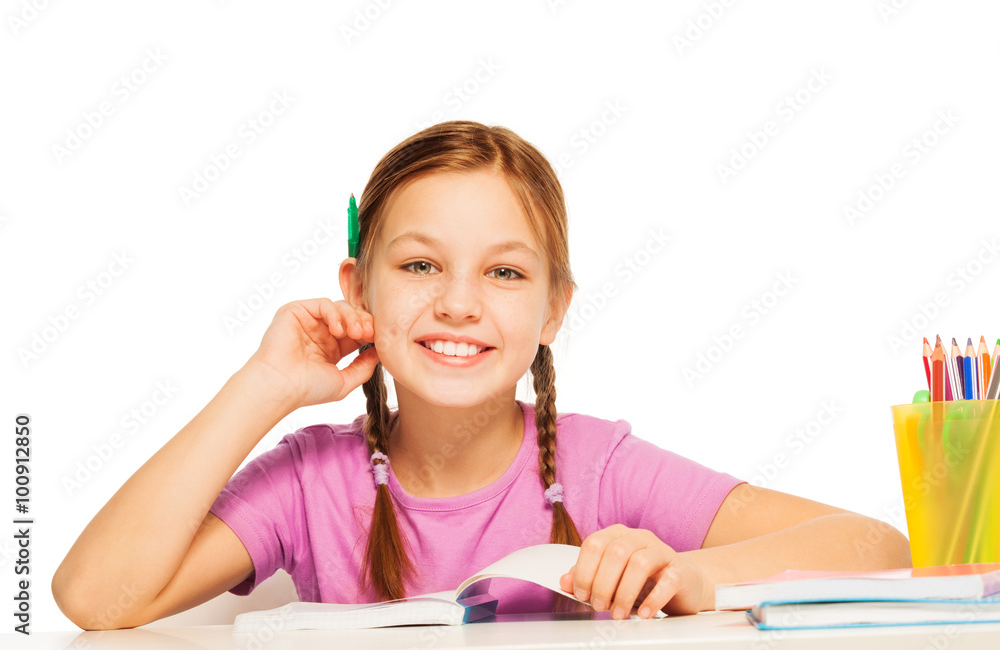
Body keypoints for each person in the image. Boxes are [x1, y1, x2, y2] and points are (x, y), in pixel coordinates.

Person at [51, 121, 911, 630]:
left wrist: (687, 575)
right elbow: (96, 597)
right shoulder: (311, 480)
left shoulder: (598, 464)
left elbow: (875, 548)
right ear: (358, 288)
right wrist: (264, 385)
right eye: (421, 266)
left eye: (503, 273)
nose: (459, 304)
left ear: (552, 310)